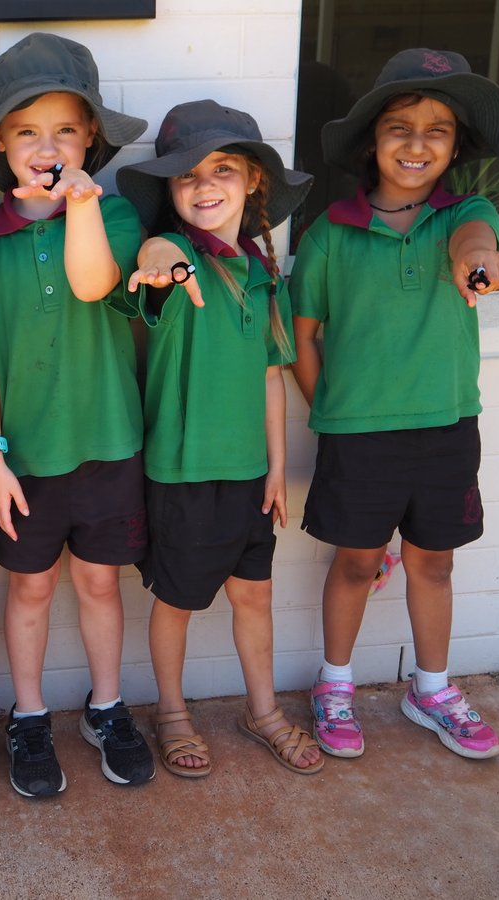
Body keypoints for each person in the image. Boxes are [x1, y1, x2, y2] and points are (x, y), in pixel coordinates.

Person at [0, 32, 154, 797]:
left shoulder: (117, 217)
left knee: (100, 585)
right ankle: (28, 715)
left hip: (106, 443)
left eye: (66, 128)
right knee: (29, 588)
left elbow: (95, 284)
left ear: (91, 137)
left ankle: (106, 704)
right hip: (24, 456)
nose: (47, 145)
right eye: (27, 130)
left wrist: (81, 206)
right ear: (0, 142)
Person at [291, 48, 499, 761]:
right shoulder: (330, 231)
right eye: (399, 126)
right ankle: (334, 684)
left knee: (434, 564)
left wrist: (485, 263)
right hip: (360, 437)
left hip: (448, 426)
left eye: (437, 130)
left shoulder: (465, 215)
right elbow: (302, 336)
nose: (417, 144)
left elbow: (475, 248)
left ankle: (433, 688)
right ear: (370, 140)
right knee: (355, 564)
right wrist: (332, 408)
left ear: (456, 147)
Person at [116, 101, 324, 778]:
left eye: (223, 170)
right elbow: (159, 252)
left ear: (254, 182)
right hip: (180, 471)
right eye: (187, 176)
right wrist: (161, 261)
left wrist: (274, 465)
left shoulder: (264, 276)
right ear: (171, 194)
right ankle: (170, 710)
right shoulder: (174, 262)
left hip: (245, 473)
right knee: (175, 599)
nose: (205, 186)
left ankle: (260, 709)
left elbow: (271, 376)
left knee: (252, 595)